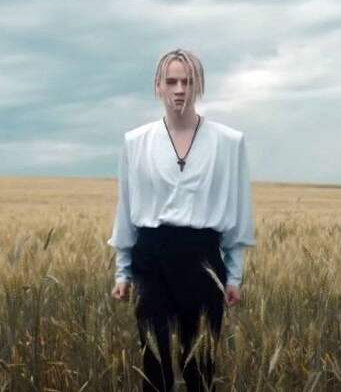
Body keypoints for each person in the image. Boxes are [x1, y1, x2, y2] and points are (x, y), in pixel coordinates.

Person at [108, 48, 256, 392]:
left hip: (203, 260)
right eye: (171, 81)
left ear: (199, 85)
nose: (179, 90)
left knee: (200, 369)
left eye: (187, 82)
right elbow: (127, 207)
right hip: (151, 258)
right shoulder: (136, 142)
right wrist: (122, 271)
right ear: (158, 85)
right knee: (154, 368)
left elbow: (237, 210)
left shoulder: (229, 143)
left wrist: (234, 275)